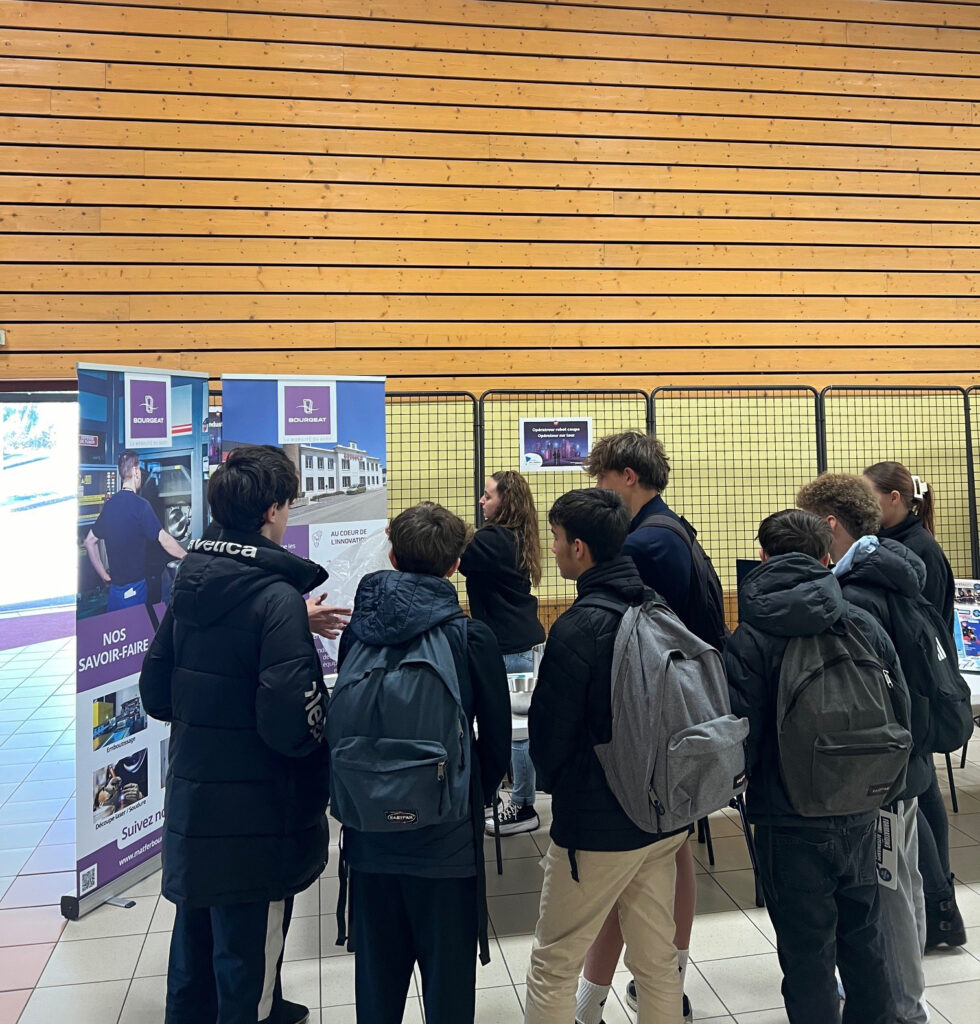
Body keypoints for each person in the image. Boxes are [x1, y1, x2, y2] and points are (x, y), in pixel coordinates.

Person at [139, 444, 332, 1024]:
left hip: (197, 798)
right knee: (249, 949)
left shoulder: (193, 578)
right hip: (258, 812)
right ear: (274, 510)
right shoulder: (275, 597)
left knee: (195, 939)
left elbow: (156, 692)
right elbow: (290, 726)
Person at [725, 508, 907, 1024]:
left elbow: (743, 736)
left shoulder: (751, 635)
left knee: (807, 959)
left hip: (787, 820)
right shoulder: (862, 622)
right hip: (861, 806)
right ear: (827, 557)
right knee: (865, 942)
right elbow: (901, 707)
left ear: (762, 557)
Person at [335, 502, 511, 1024]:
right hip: (447, 840)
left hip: (368, 834)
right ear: (455, 566)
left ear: (391, 556)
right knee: (449, 989)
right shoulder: (470, 636)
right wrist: (467, 796)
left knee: (377, 988)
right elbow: (496, 742)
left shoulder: (357, 631)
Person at [524, 488, 689, 1024]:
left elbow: (548, 736)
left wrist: (562, 788)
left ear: (579, 547)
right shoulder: (657, 609)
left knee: (555, 963)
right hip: (663, 818)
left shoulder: (577, 627)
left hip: (597, 830)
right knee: (657, 961)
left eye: (554, 539)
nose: (550, 549)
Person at [577, 431, 720, 1023]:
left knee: (633, 861)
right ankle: (657, 987)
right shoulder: (673, 529)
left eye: (601, 480)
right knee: (671, 849)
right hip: (681, 715)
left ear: (627, 477)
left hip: (658, 722)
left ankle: (601, 1000)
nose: (598, 490)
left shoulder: (647, 545)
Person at [797, 473, 933, 1024]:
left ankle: (902, 1008)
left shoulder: (855, 594)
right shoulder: (897, 573)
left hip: (880, 769)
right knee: (905, 883)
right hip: (911, 758)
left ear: (829, 523)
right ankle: (907, 995)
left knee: (886, 897)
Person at [864, 460, 967, 949]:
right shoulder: (902, 546)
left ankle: (940, 906)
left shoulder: (915, 552)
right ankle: (940, 908)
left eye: (870, 495)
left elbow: (914, 633)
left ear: (894, 499)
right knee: (922, 795)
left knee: (920, 796)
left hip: (917, 693)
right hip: (913, 691)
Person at [459, 471, 546, 836]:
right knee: (517, 729)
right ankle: (514, 800)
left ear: (505, 501)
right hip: (520, 646)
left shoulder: (492, 539)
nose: (482, 501)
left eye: (487, 495)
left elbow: (455, 553)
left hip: (511, 652)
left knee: (518, 732)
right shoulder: (515, 537)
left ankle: (524, 807)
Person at [84, 450, 187, 611]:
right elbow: (164, 539)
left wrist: (103, 575)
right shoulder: (141, 505)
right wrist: (187, 557)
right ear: (135, 471)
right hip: (135, 591)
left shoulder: (110, 506)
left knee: (117, 633)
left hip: (115, 593)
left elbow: (89, 541)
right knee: (137, 633)